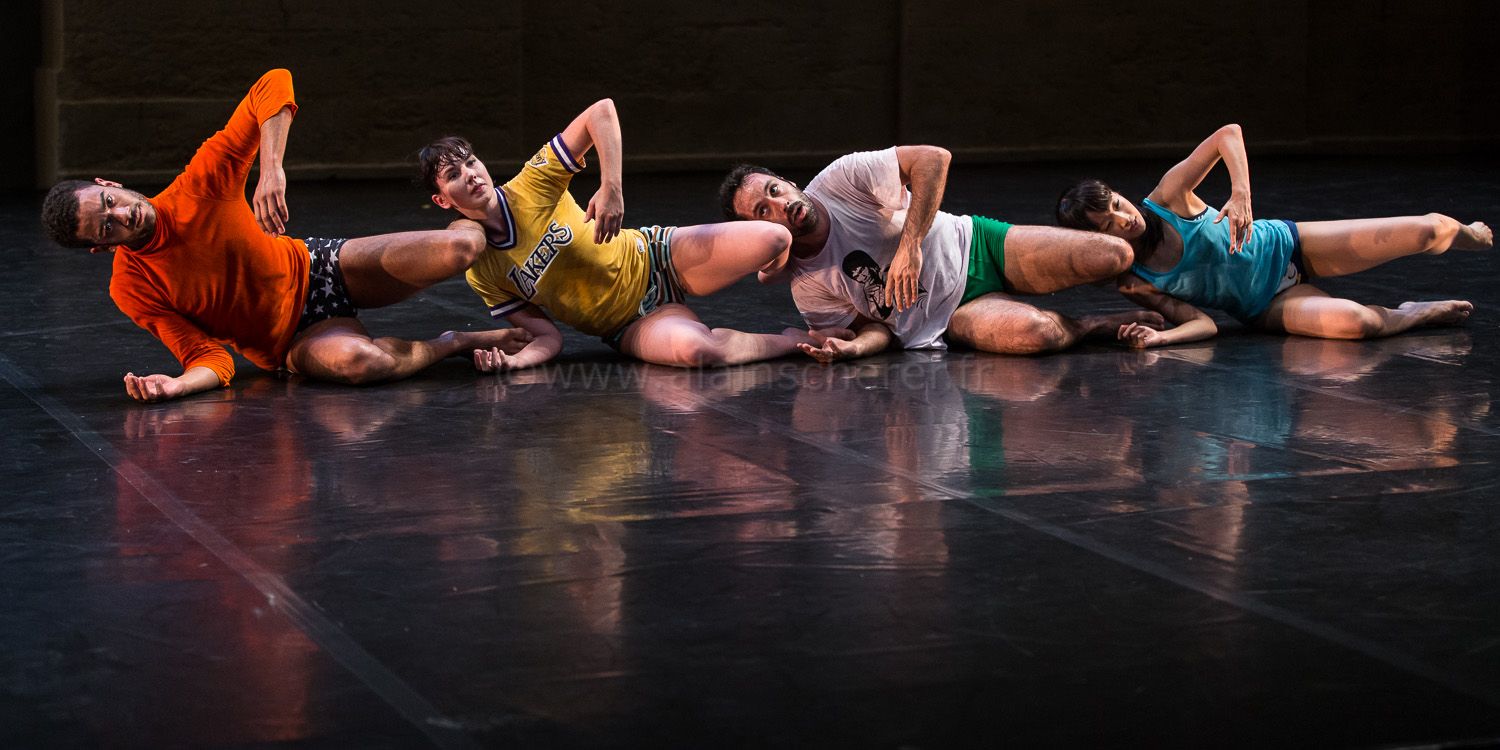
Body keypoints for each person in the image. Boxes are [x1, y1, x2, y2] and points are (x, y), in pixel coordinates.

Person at [38, 69, 529, 403]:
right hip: (293, 340)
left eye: (109, 201)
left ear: (108, 183)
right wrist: (176, 386)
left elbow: (274, 82)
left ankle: (504, 225)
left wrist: (271, 169)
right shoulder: (131, 287)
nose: (122, 213)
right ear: (102, 246)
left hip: (320, 267)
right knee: (362, 363)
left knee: (463, 246)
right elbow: (209, 359)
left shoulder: (198, 186)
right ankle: (454, 342)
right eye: (108, 226)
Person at [419, 99, 820, 371]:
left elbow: (602, 112)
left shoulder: (531, 183)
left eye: (471, 162)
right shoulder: (483, 272)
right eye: (454, 174)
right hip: (630, 324)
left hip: (657, 257)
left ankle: (786, 272)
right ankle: (797, 341)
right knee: (700, 352)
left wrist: (611, 187)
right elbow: (547, 337)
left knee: (775, 238)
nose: (470, 175)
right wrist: (515, 362)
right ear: (442, 200)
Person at [1055, 124, 1492, 348]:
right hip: (1265, 305)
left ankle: (1469, 234)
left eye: (1117, 204)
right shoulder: (1136, 280)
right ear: (1097, 240)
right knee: (1360, 325)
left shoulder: (1166, 198)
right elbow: (1203, 324)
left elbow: (1229, 134)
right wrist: (1161, 338)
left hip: (1288, 246)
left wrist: (1240, 193)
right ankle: (1415, 313)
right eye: (1107, 224)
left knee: (1430, 230)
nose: (1123, 219)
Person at [717, 146, 1161, 364]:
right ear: (759, 228)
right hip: (950, 316)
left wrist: (909, 245)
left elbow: (933, 158)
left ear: (789, 183)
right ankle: (1092, 325)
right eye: (764, 210)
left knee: (1113, 255)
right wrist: (852, 349)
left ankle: (1173, 295)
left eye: (775, 190)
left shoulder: (840, 179)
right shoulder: (807, 285)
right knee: (1038, 334)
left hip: (977, 244)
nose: (780, 204)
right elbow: (877, 330)